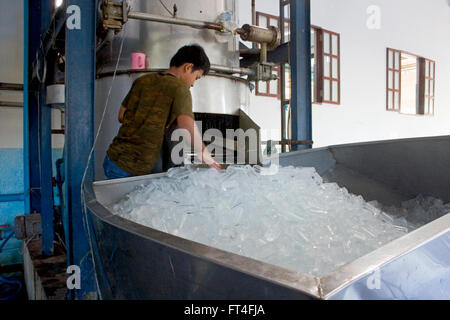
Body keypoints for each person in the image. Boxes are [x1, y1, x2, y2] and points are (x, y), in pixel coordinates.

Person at [103, 44, 221, 179]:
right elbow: (186, 125)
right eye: (196, 77)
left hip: (114, 159)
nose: (193, 84)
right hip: (135, 168)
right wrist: (206, 156)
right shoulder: (180, 89)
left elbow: (121, 115)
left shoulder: (142, 81)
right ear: (188, 67)